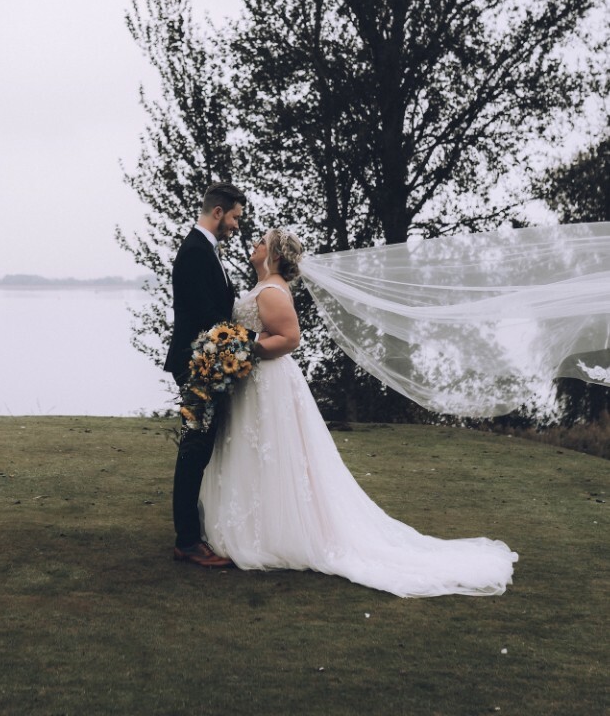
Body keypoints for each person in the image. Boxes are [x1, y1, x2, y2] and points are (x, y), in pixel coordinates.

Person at [200, 228, 518, 597]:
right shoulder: (265, 286)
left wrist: (245, 351)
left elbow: (289, 339)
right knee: (259, 452)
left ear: (271, 254)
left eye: (260, 242)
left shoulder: (271, 291)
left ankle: (273, 531)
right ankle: (259, 523)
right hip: (259, 381)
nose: (253, 246)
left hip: (267, 380)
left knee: (270, 450)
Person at [165, 182, 247, 568]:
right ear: (218, 212)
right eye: (234, 217)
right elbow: (207, 319)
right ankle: (187, 541)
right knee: (194, 450)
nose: (236, 226)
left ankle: (193, 533)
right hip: (199, 366)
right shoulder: (196, 253)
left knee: (199, 449)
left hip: (208, 364)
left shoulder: (205, 251)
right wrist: (242, 344)